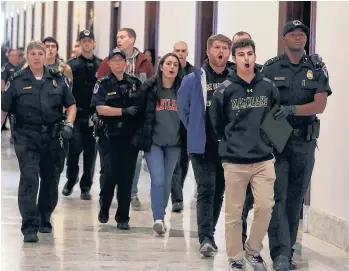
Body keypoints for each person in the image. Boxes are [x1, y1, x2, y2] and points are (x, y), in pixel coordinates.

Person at [262, 20, 332, 271]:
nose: (298, 38)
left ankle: (287, 249)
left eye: (302, 34)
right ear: (284, 39)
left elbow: (320, 105)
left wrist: (293, 109)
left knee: (295, 198)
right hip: (278, 141)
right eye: (293, 34)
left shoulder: (316, 68)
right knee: (277, 197)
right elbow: (262, 102)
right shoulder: (270, 69)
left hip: (305, 140)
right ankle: (280, 254)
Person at [210, 39, 279, 271]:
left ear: (255, 56)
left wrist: (269, 143)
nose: (246, 58)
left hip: (263, 159)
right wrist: (231, 143)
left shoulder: (268, 86)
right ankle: (236, 258)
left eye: (250, 54)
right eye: (241, 55)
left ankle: (253, 250)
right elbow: (217, 123)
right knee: (234, 212)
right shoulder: (225, 89)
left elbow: (276, 118)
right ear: (234, 59)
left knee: (265, 206)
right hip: (235, 160)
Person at [1, 41, 76, 242]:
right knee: (29, 178)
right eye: (32, 53)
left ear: (45, 56)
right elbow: (4, 109)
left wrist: (69, 124)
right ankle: (29, 227)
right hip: (26, 136)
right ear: (27, 56)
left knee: (51, 180)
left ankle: (44, 217)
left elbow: (71, 105)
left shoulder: (57, 78)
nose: (36, 57)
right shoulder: (17, 80)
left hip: (53, 136)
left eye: (39, 53)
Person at [177, 34, 232, 256]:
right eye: (217, 47)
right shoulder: (194, 78)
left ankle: (211, 231)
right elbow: (183, 109)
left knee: (219, 190)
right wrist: (196, 129)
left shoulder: (234, 77)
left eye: (225, 48)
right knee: (207, 188)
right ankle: (206, 238)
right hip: (202, 145)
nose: (221, 52)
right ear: (208, 51)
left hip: (227, 145)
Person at [97, 27, 154, 210]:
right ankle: (105, 199)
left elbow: (148, 87)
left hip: (134, 122)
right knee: (109, 168)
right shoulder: (107, 63)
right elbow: (99, 89)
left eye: (122, 37)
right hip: (110, 125)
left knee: (133, 162)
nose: (118, 39)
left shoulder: (143, 62)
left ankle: (131, 193)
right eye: (117, 37)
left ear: (132, 39)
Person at [132, 53, 184, 235]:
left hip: (174, 143)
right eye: (168, 63)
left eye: (175, 65)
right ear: (161, 66)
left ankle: (161, 215)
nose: (171, 67)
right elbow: (139, 112)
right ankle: (158, 218)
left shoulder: (182, 89)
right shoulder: (149, 87)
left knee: (168, 180)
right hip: (153, 142)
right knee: (158, 178)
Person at [91, 48, 143, 230]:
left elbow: (142, 109)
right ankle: (104, 207)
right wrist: (122, 111)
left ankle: (123, 217)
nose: (118, 63)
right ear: (110, 64)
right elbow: (100, 108)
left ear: (126, 63)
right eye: (114, 61)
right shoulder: (103, 84)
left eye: (121, 60)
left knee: (126, 179)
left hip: (129, 139)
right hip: (109, 137)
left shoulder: (136, 83)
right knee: (109, 175)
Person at [62, 30, 102, 200]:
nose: (86, 43)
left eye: (89, 40)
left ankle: (86, 186)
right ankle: (71, 180)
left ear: (93, 43)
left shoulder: (102, 65)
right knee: (74, 150)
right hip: (76, 114)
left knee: (91, 153)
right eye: (83, 41)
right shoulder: (71, 65)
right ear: (79, 43)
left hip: (93, 115)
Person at [170, 40, 195, 213]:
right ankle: (177, 198)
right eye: (177, 50)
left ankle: (178, 191)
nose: (180, 53)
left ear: (187, 53)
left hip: (188, 122)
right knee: (174, 159)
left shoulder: (194, 73)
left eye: (183, 50)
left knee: (184, 160)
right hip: (171, 121)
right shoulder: (168, 70)